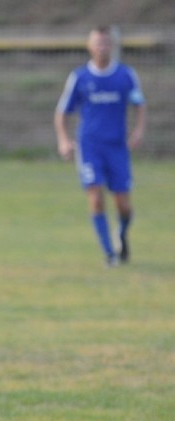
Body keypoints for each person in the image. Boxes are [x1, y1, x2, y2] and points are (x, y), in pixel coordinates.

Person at [54, 25, 147, 267]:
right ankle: (109, 254)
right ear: (89, 45)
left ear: (112, 46)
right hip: (89, 146)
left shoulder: (125, 76)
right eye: (97, 43)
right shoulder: (80, 77)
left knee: (123, 204)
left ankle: (121, 234)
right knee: (95, 198)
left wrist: (138, 130)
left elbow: (139, 104)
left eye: (106, 43)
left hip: (117, 147)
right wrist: (64, 140)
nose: (102, 47)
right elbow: (62, 112)